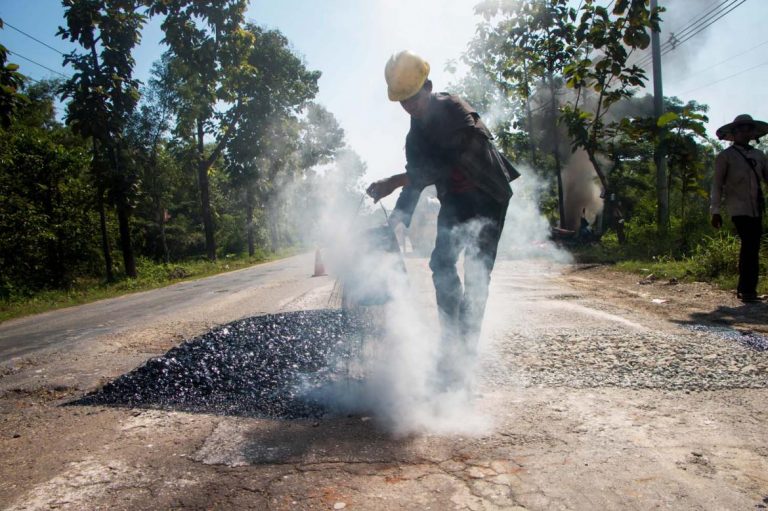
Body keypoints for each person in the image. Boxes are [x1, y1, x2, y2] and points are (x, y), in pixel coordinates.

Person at [366, 50, 519, 388]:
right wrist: (399, 219)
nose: (410, 106)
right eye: (402, 101)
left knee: (478, 274)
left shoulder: (453, 109)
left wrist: (393, 181)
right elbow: (417, 179)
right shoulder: (414, 136)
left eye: (413, 98)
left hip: (488, 195)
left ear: (428, 87)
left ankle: (463, 355)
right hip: (456, 199)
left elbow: (446, 165)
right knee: (442, 264)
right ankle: (451, 342)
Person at [710, 114, 768, 303]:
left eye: (748, 129)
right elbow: (717, 184)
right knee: (749, 244)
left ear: (753, 133)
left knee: (753, 245)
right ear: (733, 133)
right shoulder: (725, 157)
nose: (745, 132)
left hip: (757, 207)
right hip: (738, 207)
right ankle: (746, 289)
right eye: (741, 128)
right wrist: (715, 210)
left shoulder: (759, 155)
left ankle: (748, 288)